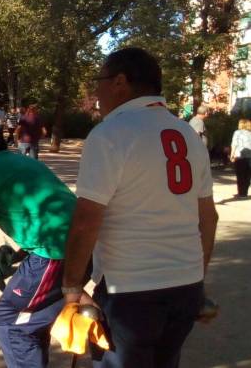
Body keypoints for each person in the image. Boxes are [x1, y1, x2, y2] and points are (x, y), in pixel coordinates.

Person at [60, 47, 218, 368]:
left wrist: (72, 287)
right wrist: (196, 278)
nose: (97, 92)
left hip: (130, 290)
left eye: (99, 81)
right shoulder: (188, 135)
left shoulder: (110, 134)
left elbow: (86, 221)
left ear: (120, 82)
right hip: (186, 285)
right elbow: (209, 218)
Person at [0, 118, 76, 368]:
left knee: (9, 321)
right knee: (29, 321)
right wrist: (20, 254)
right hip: (81, 244)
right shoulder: (22, 161)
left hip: (56, 254)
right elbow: (51, 213)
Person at [230, 118, 251, 198]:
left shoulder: (237, 133)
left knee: (240, 175)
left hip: (239, 156)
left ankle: (241, 193)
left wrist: (232, 154)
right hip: (250, 156)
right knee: (247, 175)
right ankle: (244, 192)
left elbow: (234, 144)